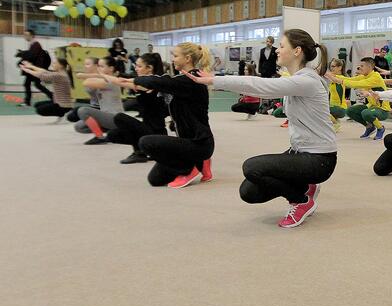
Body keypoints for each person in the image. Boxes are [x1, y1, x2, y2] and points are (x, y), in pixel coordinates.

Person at [186, 29, 336, 228]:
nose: (277, 50)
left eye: (282, 46)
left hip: (319, 160)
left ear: (297, 51)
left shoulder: (306, 81)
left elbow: (259, 85)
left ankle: (301, 201)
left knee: (252, 167)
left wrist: (215, 79)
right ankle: (306, 185)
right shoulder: (298, 78)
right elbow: (261, 85)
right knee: (249, 192)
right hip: (300, 153)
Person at [131, 43, 215, 189]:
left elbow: (157, 81)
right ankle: (202, 162)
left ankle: (190, 168)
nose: (172, 59)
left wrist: (130, 81)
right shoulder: (182, 80)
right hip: (188, 142)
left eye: (175, 56)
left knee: (146, 142)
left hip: (199, 143)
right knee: (155, 179)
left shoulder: (190, 80)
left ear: (187, 58)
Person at [95, 53, 168, 164]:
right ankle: (147, 150)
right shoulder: (144, 80)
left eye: (139, 66)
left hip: (156, 133)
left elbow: (120, 82)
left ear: (149, 68)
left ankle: (140, 153)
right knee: (113, 135)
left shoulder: (151, 83)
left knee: (120, 118)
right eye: (136, 65)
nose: (136, 68)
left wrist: (101, 74)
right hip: (148, 128)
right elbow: (124, 80)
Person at [328, 57, 391, 140]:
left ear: (369, 67)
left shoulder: (375, 77)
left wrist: (338, 80)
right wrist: (334, 76)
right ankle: (369, 127)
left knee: (366, 113)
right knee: (350, 111)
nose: (359, 68)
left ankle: (380, 128)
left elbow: (356, 84)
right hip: (371, 106)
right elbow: (350, 79)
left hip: (383, 110)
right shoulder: (364, 76)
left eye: (362, 66)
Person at [74, 56, 125, 145]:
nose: (99, 69)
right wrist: (91, 73)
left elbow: (86, 82)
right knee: (79, 126)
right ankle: (111, 131)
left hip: (115, 117)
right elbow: (89, 89)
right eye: (98, 66)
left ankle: (100, 137)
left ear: (111, 68)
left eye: (101, 66)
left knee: (83, 110)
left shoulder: (111, 81)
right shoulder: (102, 80)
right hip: (106, 116)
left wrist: (88, 75)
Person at [16, 30, 53, 106]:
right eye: (24, 35)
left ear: (32, 36)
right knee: (31, 84)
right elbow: (31, 54)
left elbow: (32, 56)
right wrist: (23, 54)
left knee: (33, 84)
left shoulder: (36, 44)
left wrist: (22, 54)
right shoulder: (33, 44)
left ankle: (53, 97)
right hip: (33, 69)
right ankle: (28, 102)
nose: (25, 36)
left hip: (35, 69)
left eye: (27, 35)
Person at [327, 59, 349, 132]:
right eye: (330, 66)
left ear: (340, 67)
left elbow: (333, 78)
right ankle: (335, 120)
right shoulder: (332, 77)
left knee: (320, 110)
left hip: (340, 108)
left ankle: (335, 122)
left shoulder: (341, 78)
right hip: (333, 106)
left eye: (333, 66)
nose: (331, 68)